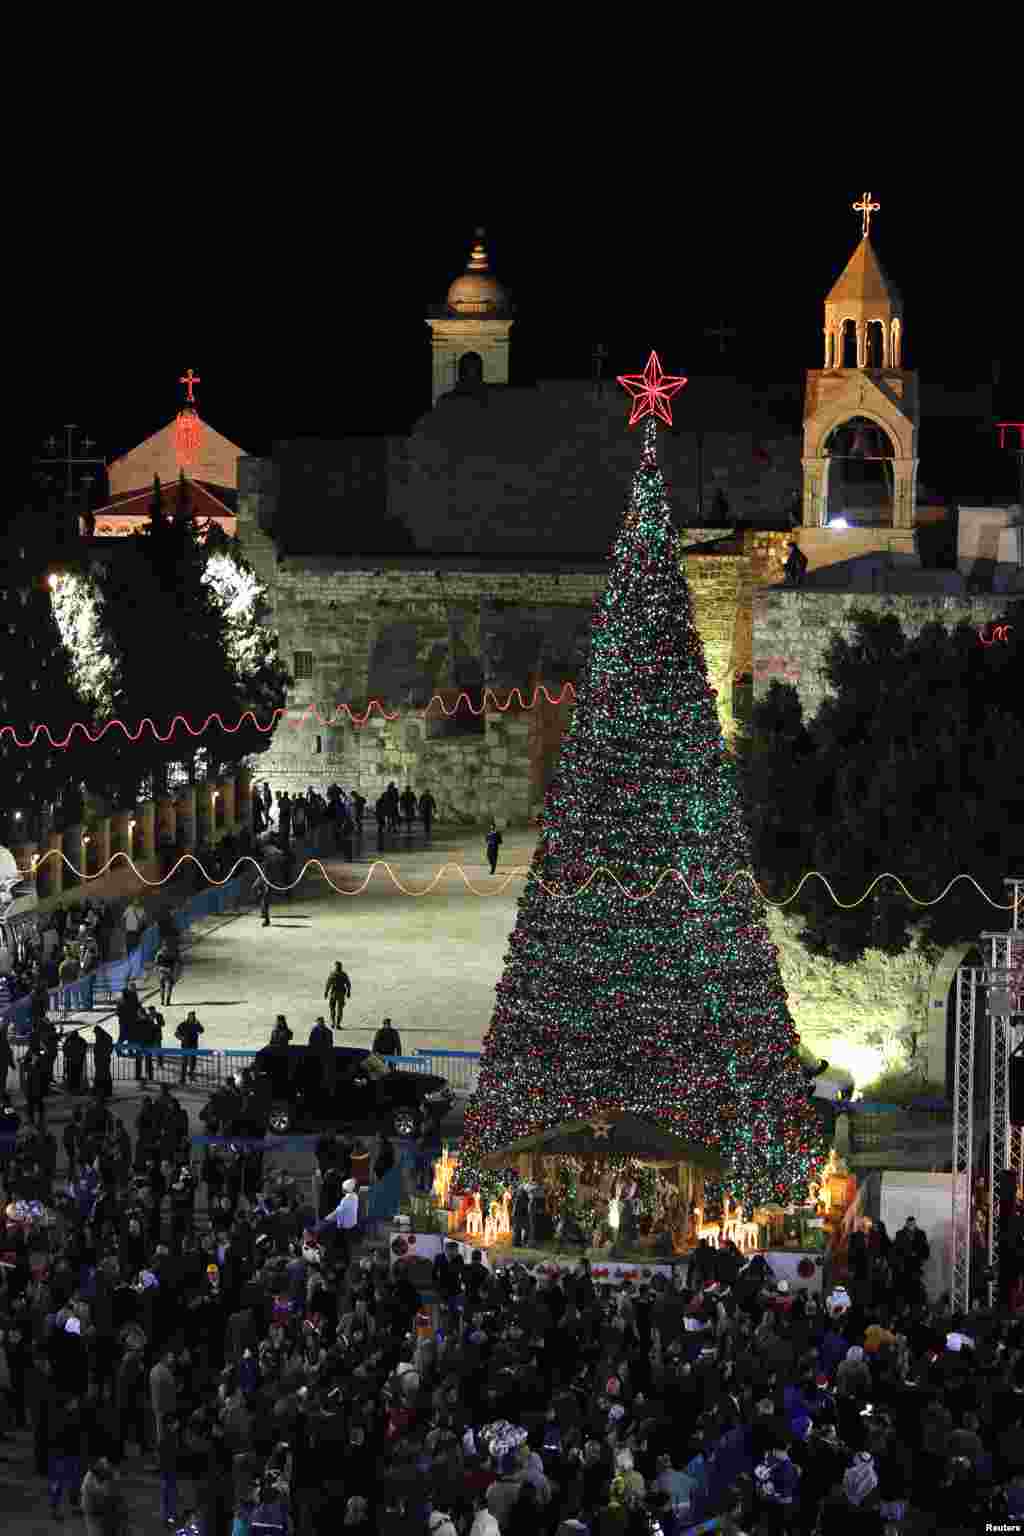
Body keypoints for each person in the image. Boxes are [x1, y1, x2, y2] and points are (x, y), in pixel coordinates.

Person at [175, 1011, 204, 1085]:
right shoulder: (183, 1024)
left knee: (193, 1062)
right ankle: (182, 1078)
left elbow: (201, 1031)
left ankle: (191, 1076)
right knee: (184, 1062)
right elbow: (176, 1033)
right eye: (191, 1016)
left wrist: (198, 1024)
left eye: (193, 1016)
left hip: (194, 1046)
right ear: (188, 1016)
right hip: (185, 1046)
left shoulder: (196, 1024)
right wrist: (181, 1038)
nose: (192, 1017)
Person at [325, 961, 352, 1030]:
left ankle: (335, 1023)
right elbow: (348, 984)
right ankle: (335, 1023)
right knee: (335, 1009)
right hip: (338, 994)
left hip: (337, 994)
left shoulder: (334, 974)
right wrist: (348, 992)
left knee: (336, 1009)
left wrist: (326, 992)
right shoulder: (342, 974)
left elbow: (328, 984)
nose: (337, 967)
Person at [93, 1023, 114, 1100]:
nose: (95, 1034)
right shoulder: (104, 1037)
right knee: (104, 1075)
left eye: (95, 1033)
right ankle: (103, 1091)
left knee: (103, 1075)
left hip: (102, 1059)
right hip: (102, 1059)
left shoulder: (103, 1038)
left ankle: (103, 1091)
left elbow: (103, 1049)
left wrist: (104, 1054)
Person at [156, 941, 179, 1008]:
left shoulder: (159, 953)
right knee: (169, 988)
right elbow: (175, 962)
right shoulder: (172, 953)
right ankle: (167, 1001)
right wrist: (175, 973)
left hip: (161, 972)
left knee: (162, 987)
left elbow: (156, 962)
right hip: (169, 971)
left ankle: (162, 1001)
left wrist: (159, 969)